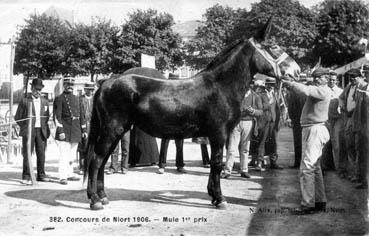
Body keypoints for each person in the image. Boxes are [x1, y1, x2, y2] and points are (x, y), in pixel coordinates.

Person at [283, 67, 332, 214]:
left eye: (320, 77)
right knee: (314, 168)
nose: (317, 79)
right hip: (314, 129)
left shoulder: (323, 90)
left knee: (307, 168)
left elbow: (306, 90)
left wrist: (290, 83)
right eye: (315, 77)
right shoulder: (320, 89)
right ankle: (319, 200)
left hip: (315, 129)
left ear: (326, 79)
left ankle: (308, 204)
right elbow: (306, 88)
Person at [222, 82, 263, 179]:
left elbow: (260, 111)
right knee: (232, 148)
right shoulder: (235, 95)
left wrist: (253, 111)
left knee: (245, 149)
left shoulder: (255, 96)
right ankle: (227, 171)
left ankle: (244, 170)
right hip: (236, 123)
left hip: (248, 123)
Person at [15, 78, 50, 185]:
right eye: (36, 89)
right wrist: (26, 127)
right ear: (31, 88)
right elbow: (18, 117)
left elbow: (46, 117)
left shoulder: (45, 101)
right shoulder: (25, 100)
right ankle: (26, 176)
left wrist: (43, 127)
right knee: (27, 154)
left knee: (41, 154)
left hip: (41, 131)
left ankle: (41, 174)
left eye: (40, 89)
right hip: (29, 131)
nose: (38, 91)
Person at [53, 78, 87, 185]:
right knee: (64, 154)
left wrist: (84, 130)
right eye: (68, 84)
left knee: (72, 154)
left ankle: (70, 173)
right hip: (65, 129)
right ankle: (63, 176)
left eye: (72, 84)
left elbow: (82, 116)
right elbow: (57, 117)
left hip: (76, 129)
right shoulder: (59, 98)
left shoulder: (78, 99)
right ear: (64, 85)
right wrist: (60, 130)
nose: (70, 86)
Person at [339, 68, 368, 189]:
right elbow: (341, 97)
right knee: (350, 145)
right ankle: (355, 173)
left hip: (361, 121)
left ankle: (360, 176)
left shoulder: (364, 87)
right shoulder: (349, 87)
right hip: (350, 119)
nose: (352, 79)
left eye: (354, 77)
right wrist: (341, 106)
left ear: (360, 77)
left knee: (360, 148)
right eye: (350, 77)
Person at [326, 71, 345, 176]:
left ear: (336, 80)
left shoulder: (340, 91)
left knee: (337, 144)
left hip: (337, 119)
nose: (331, 81)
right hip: (326, 119)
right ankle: (326, 166)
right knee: (325, 143)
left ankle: (339, 168)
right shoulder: (324, 90)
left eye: (333, 79)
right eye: (330, 79)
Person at [264, 77, 283, 169]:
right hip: (264, 122)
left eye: (272, 85)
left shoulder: (276, 94)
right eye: (269, 84)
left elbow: (278, 109)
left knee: (273, 142)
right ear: (265, 85)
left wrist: (278, 122)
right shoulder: (261, 94)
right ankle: (258, 160)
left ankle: (273, 162)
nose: (270, 86)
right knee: (262, 141)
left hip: (273, 122)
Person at [77, 82, 95, 175]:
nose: (90, 91)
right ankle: (82, 166)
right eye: (88, 89)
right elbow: (80, 114)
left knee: (92, 146)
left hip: (93, 126)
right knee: (83, 147)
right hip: (83, 126)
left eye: (92, 90)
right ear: (85, 90)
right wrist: (83, 127)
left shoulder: (95, 99)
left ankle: (91, 166)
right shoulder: (80, 99)